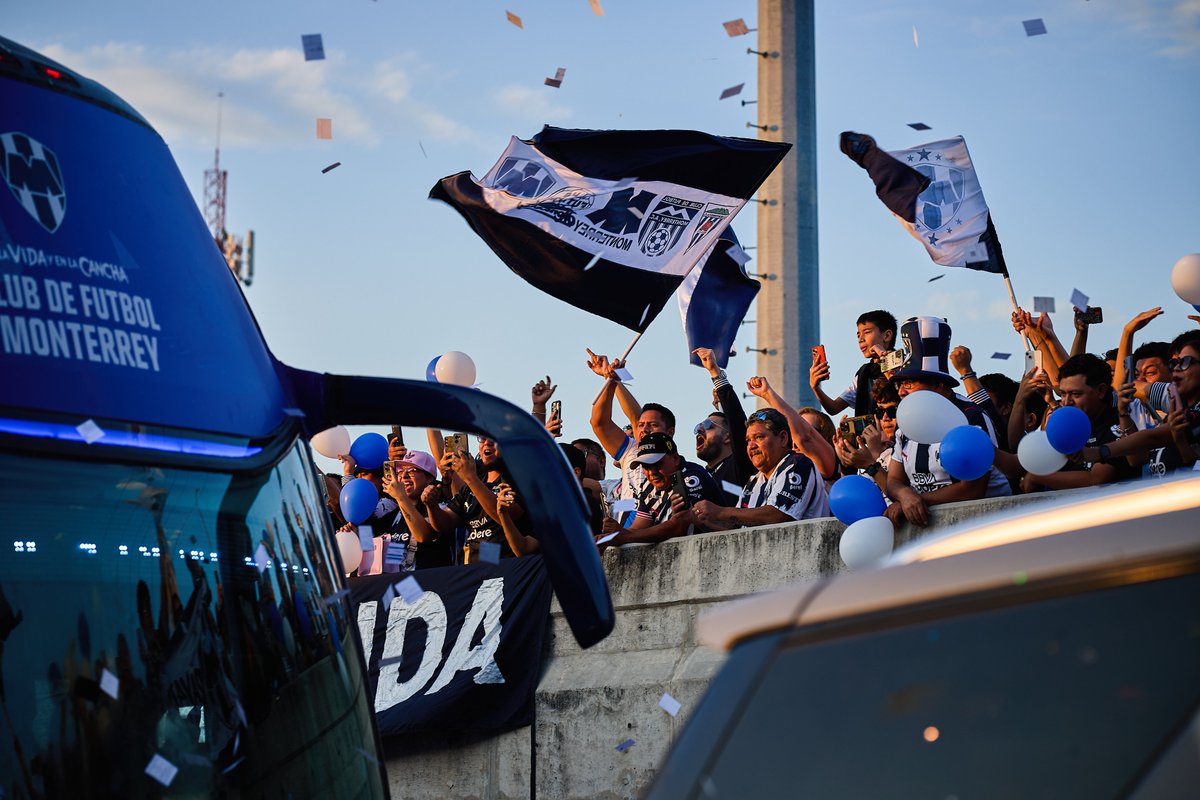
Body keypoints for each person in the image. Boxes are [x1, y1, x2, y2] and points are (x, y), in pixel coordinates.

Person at [885, 316, 1010, 529]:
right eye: (900, 383)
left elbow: (972, 490)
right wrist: (905, 495)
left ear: (938, 384)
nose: (901, 391)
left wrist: (917, 500)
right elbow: (893, 480)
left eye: (909, 382)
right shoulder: (907, 421)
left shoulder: (971, 417)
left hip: (983, 528)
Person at [690, 408, 830, 530]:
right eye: (748, 441)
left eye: (759, 437)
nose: (751, 446)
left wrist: (719, 512)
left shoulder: (798, 464)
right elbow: (736, 528)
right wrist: (700, 521)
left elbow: (779, 515)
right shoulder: (754, 480)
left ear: (782, 438)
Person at [1022, 354, 1139, 492]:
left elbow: (1097, 479)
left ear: (1101, 391)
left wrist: (1037, 477)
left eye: (1076, 394)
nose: (1066, 402)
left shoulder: (1118, 424)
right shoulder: (1066, 427)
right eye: (1063, 394)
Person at [597, 432, 724, 548]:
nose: (652, 472)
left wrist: (624, 536)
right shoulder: (648, 485)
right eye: (646, 466)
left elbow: (678, 526)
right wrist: (609, 537)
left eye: (658, 464)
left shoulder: (690, 477)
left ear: (675, 458)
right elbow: (639, 528)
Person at [586, 347, 676, 504]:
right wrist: (611, 379)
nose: (644, 430)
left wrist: (614, 379)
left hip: (658, 525)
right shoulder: (631, 450)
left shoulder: (673, 460)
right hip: (625, 528)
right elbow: (599, 423)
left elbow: (635, 417)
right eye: (641, 426)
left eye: (653, 425)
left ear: (670, 432)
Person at [429, 436, 525, 562]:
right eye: (483, 438)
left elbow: (509, 516)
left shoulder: (518, 477)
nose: (487, 443)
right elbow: (446, 524)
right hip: (477, 568)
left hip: (509, 565)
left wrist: (470, 478)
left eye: (493, 439)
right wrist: (431, 505)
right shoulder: (475, 481)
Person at [691, 347, 754, 503]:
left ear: (728, 437)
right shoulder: (698, 476)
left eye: (708, 425)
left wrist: (715, 373)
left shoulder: (739, 465)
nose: (700, 428)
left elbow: (736, 422)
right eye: (699, 425)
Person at [809, 310, 898, 416]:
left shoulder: (905, 363)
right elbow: (834, 407)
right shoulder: (864, 374)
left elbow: (901, 389)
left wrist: (883, 356)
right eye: (858, 335)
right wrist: (815, 386)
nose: (861, 339)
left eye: (867, 332)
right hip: (871, 432)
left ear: (887, 336)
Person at [379, 450, 454, 571]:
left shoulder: (439, 506)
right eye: (401, 471)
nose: (404, 476)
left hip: (431, 585)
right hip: (400, 585)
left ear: (429, 477)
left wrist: (401, 497)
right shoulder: (393, 514)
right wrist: (352, 529)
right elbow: (371, 536)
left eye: (412, 470)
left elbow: (424, 536)